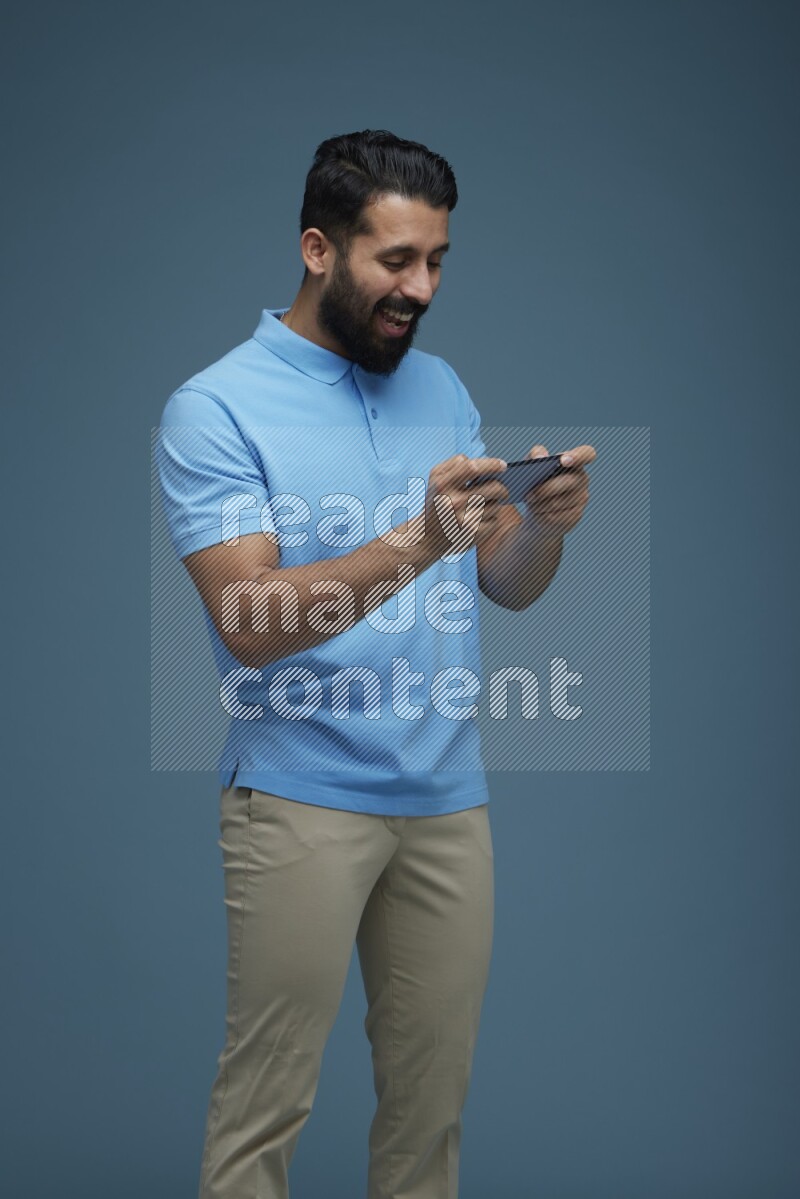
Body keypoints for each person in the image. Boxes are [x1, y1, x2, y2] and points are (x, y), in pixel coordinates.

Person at [156, 129, 595, 1199]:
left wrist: (543, 527)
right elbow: (250, 618)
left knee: (428, 1114)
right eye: (394, 260)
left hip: (448, 799)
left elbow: (500, 579)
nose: (421, 288)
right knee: (265, 1112)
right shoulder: (214, 408)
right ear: (318, 248)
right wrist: (413, 540)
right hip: (299, 795)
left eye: (436, 260)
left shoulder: (438, 382)